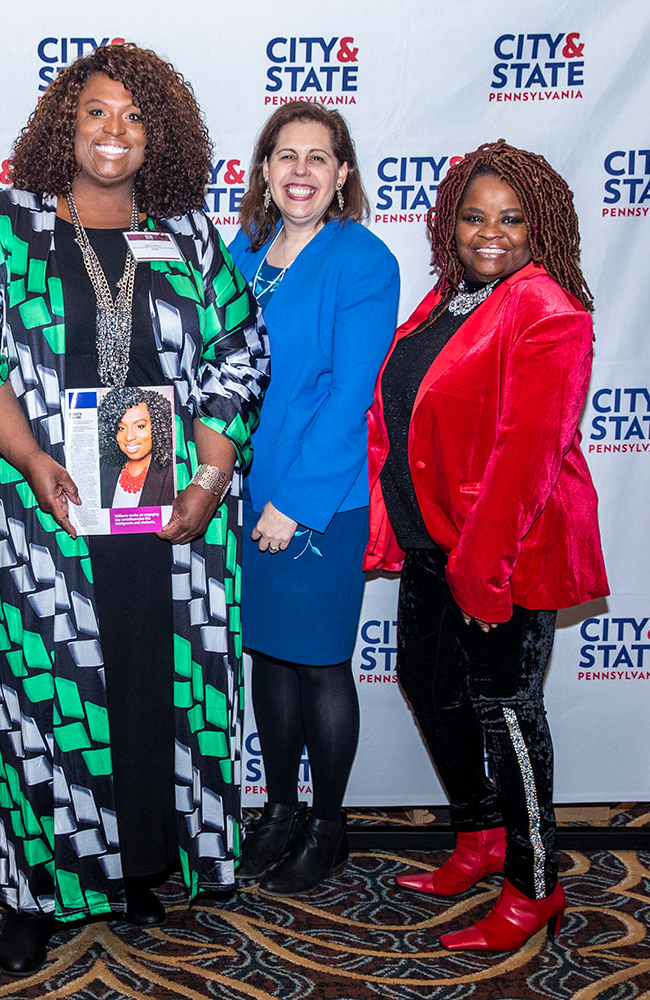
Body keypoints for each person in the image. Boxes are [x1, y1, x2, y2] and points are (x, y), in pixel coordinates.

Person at [0, 43, 268, 975]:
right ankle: (36, 893)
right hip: (45, 523)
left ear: (163, 135)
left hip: (172, 524)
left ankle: (137, 868)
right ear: (64, 124)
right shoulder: (9, 225)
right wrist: (29, 456)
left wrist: (208, 477)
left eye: (135, 117)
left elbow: (240, 355)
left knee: (159, 685)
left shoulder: (190, 236)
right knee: (45, 698)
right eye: (97, 113)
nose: (115, 134)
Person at [364, 140, 608, 951]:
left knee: (506, 713)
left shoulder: (549, 311)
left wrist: (484, 573)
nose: (489, 232)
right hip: (435, 543)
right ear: (449, 224)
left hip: (504, 554)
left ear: (542, 228)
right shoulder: (452, 299)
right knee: (427, 685)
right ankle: (480, 836)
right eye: (473, 216)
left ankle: (534, 884)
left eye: (510, 218)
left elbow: (525, 459)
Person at [226, 103, 400, 894]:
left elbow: (349, 395)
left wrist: (292, 502)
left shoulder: (363, 260)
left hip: (318, 500)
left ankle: (329, 825)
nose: (300, 170)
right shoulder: (244, 254)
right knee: (269, 656)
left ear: (342, 176)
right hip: (240, 491)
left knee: (323, 666)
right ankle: (280, 811)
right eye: (285, 155)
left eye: (318, 158)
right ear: (263, 171)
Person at [97, 386, 176, 508]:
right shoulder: (103, 468)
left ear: (157, 426)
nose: (129, 437)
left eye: (139, 426)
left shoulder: (172, 473)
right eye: (121, 428)